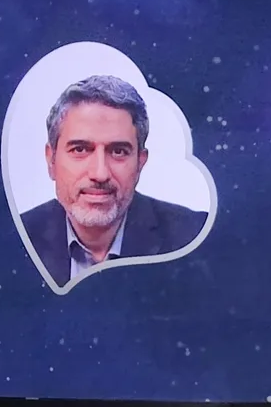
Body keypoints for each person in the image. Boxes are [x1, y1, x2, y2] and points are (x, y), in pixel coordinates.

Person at [20, 75, 207, 286]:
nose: (100, 173)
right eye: (80, 149)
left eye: (118, 151)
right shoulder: (14, 240)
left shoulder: (195, 238)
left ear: (140, 163)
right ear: (51, 160)